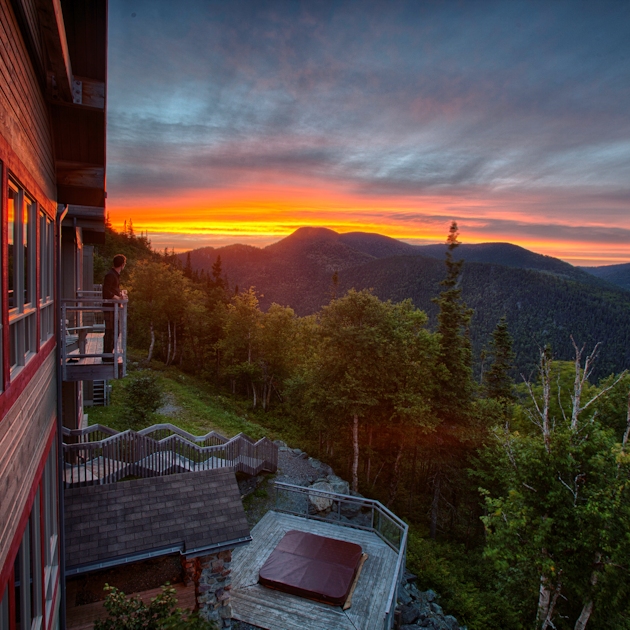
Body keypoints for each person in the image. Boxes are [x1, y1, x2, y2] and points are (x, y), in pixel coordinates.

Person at [102, 254, 127, 361]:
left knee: (114, 330)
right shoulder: (111, 275)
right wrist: (117, 297)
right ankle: (106, 355)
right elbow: (106, 291)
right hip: (110, 308)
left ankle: (108, 353)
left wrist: (120, 294)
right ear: (122, 264)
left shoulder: (115, 275)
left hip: (114, 308)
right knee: (111, 331)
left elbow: (112, 289)